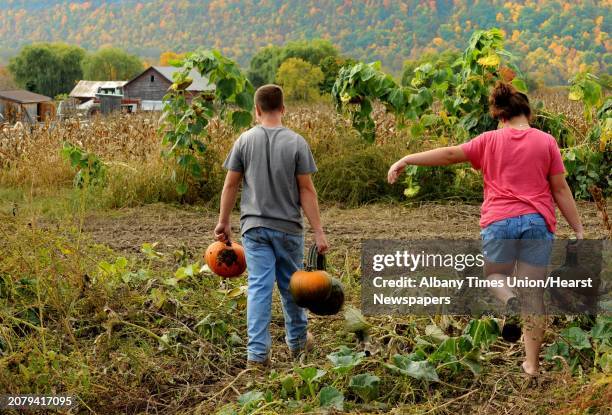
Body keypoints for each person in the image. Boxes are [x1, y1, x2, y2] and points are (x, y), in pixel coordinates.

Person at [387, 82, 584, 376]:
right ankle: (531, 365)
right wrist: (578, 228)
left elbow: (450, 154)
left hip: (499, 221)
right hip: (536, 221)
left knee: (494, 275)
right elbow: (560, 189)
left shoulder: (489, 140)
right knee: (534, 295)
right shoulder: (546, 142)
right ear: (527, 113)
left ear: (499, 115)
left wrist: (407, 159)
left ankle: (510, 301)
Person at [214, 84, 329, 370]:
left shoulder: (244, 140)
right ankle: (299, 345)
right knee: (293, 287)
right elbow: (307, 190)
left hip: (254, 228)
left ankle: (257, 357)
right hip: (289, 229)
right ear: (283, 109)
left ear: (256, 110)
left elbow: (231, 184)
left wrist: (223, 221)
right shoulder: (297, 142)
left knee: (259, 288)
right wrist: (319, 231)